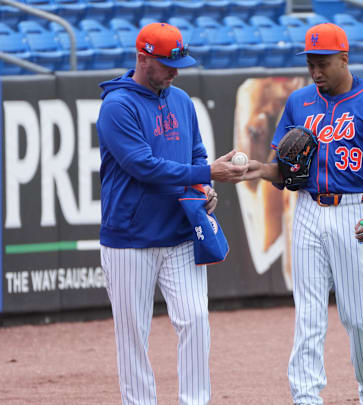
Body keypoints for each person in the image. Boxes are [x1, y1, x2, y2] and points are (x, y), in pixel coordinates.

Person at [239, 23, 363, 405]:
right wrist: (257, 169)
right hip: (309, 211)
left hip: (357, 211)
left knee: (358, 316)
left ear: (344, 59)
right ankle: (306, 396)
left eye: (323, 64)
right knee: (309, 313)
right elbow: (283, 168)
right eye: (311, 64)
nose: (315, 72)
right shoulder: (299, 102)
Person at [96, 22, 247, 405]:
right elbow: (143, 167)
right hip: (130, 240)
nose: (175, 71)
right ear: (143, 59)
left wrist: (203, 188)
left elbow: (196, 151)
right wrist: (207, 172)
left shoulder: (180, 99)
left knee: (195, 320)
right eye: (167, 63)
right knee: (133, 336)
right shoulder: (117, 106)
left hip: (180, 232)